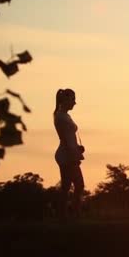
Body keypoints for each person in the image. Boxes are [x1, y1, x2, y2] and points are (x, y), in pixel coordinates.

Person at [53, 88, 85, 218]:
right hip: (67, 155)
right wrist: (74, 155)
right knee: (78, 185)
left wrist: (77, 148)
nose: (74, 102)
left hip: (68, 153)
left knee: (67, 186)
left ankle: (64, 214)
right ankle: (73, 213)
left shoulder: (64, 115)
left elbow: (69, 138)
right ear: (65, 100)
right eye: (72, 99)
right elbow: (66, 140)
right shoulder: (61, 117)